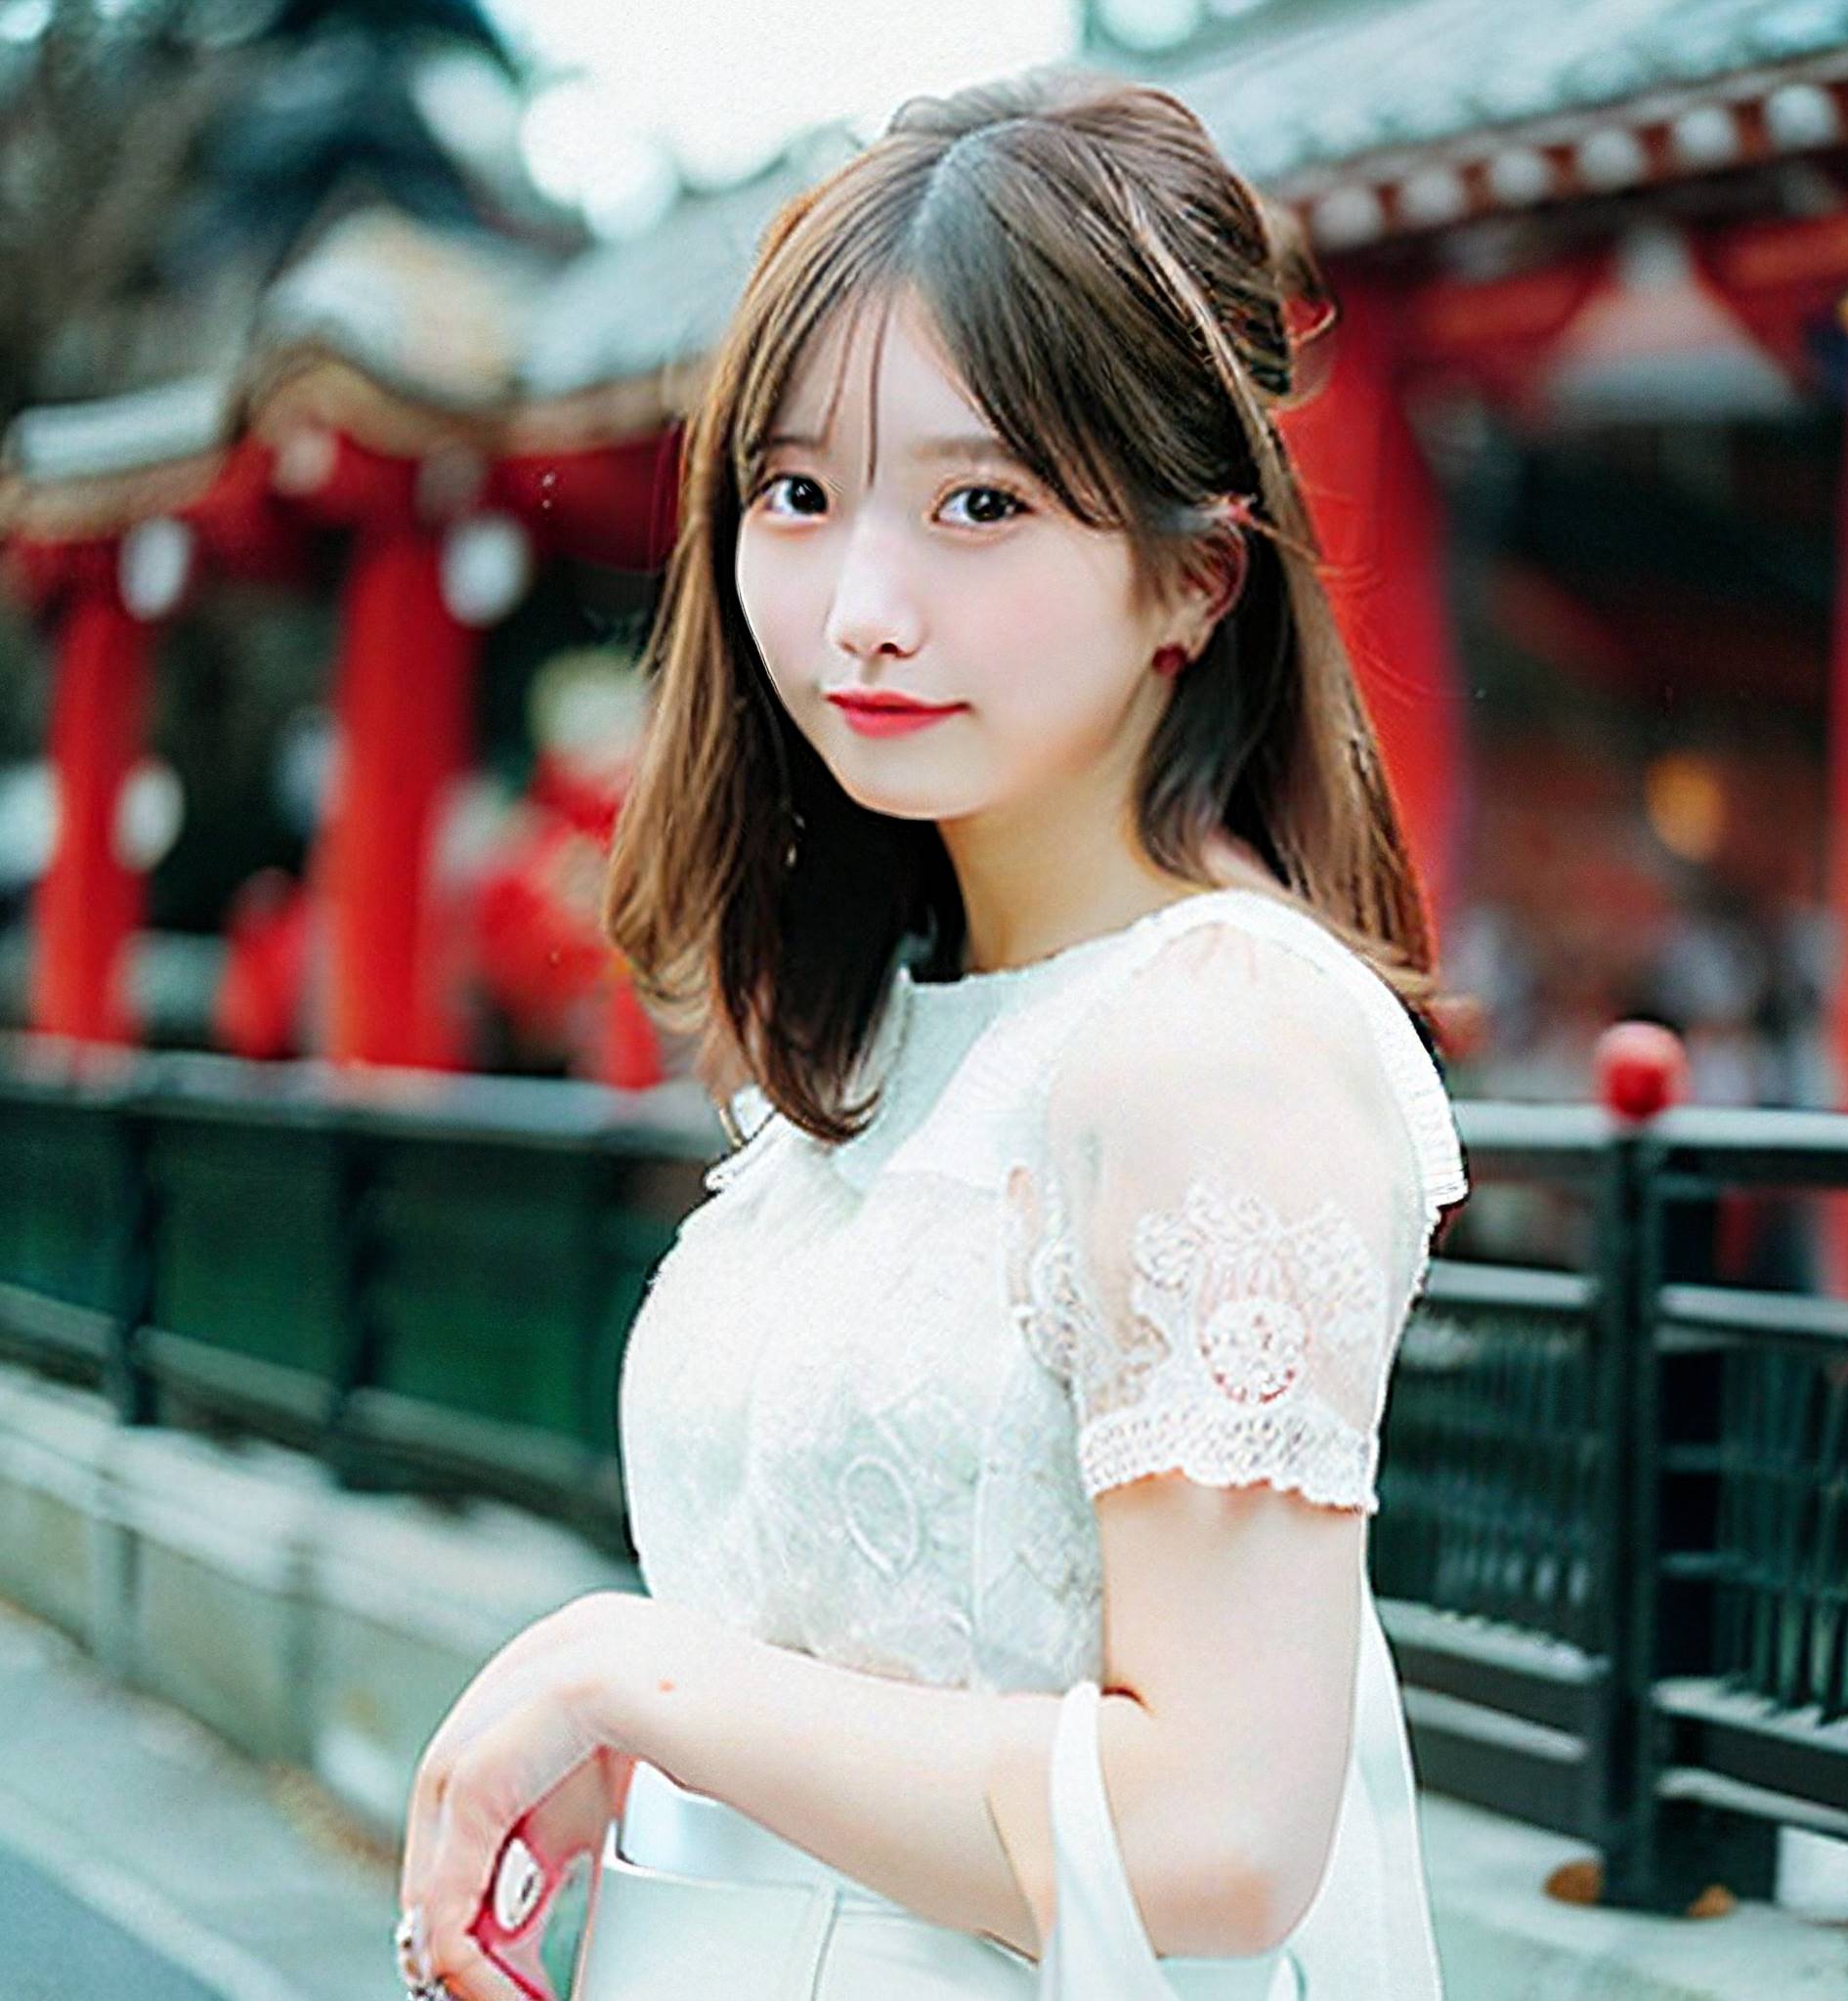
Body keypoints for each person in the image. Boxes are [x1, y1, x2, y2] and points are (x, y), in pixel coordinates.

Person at [395, 66, 1470, 2001]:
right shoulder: (907, 1028)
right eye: (798, 494)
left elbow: (1218, 1839)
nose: (858, 610)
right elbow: (895, 1642)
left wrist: (619, 1668)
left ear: (1196, 575)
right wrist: (655, 1732)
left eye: (979, 502)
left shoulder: (1210, 1041)